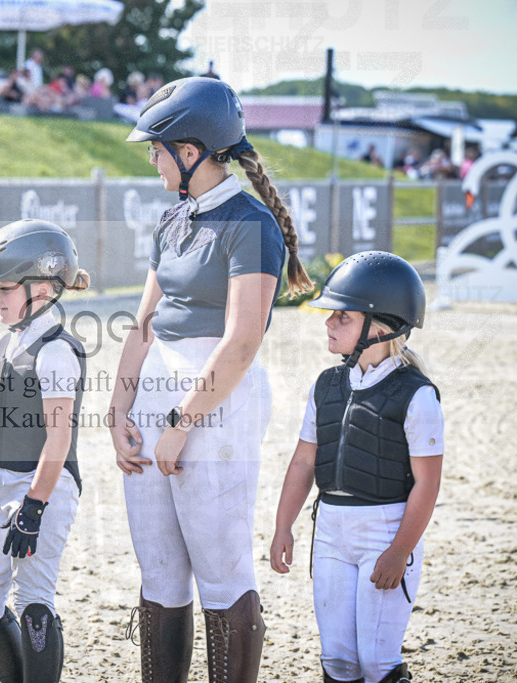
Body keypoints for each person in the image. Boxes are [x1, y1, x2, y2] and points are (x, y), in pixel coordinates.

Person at [110, 76, 312, 683]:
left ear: (191, 152)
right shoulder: (173, 218)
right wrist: (121, 412)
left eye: (158, 146)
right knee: (161, 571)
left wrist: (180, 423)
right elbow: (143, 325)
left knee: (222, 569)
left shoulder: (250, 223)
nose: (151, 157)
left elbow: (243, 339)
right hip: (155, 404)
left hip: (214, 406)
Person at [270, 252, 442, 683]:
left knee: (376, 661)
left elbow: (427, 484)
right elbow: (303, 460)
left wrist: (400, 551)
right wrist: (282, 526)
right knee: (339, 660)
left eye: (341, 317)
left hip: (386, 531)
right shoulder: (326, 385)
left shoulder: (417, 396)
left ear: (379, 327)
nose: (328, 324)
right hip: (330, 531)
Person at [0, 219, 90, 683]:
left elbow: (59, 439)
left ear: (42, 288)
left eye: (3, 288)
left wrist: (34, 506)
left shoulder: (56, 351)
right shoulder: (4, 345)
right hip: (7, 484)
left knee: (33, 600)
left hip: (46, 486)